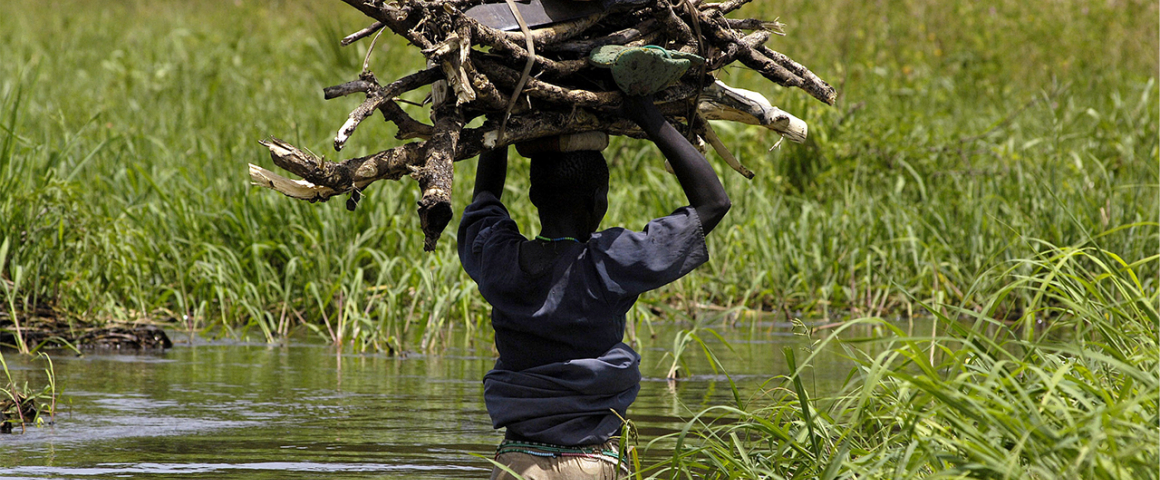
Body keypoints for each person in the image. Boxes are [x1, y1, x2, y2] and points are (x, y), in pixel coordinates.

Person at [457, 92, 731, 479]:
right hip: (592, 464)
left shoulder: (498, 261)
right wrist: (646, 113)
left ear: (534, 197)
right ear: (598, 202)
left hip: (518, 464)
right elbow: (714, 203)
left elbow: (484, 197)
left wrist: (502, 115)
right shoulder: (608, 263)